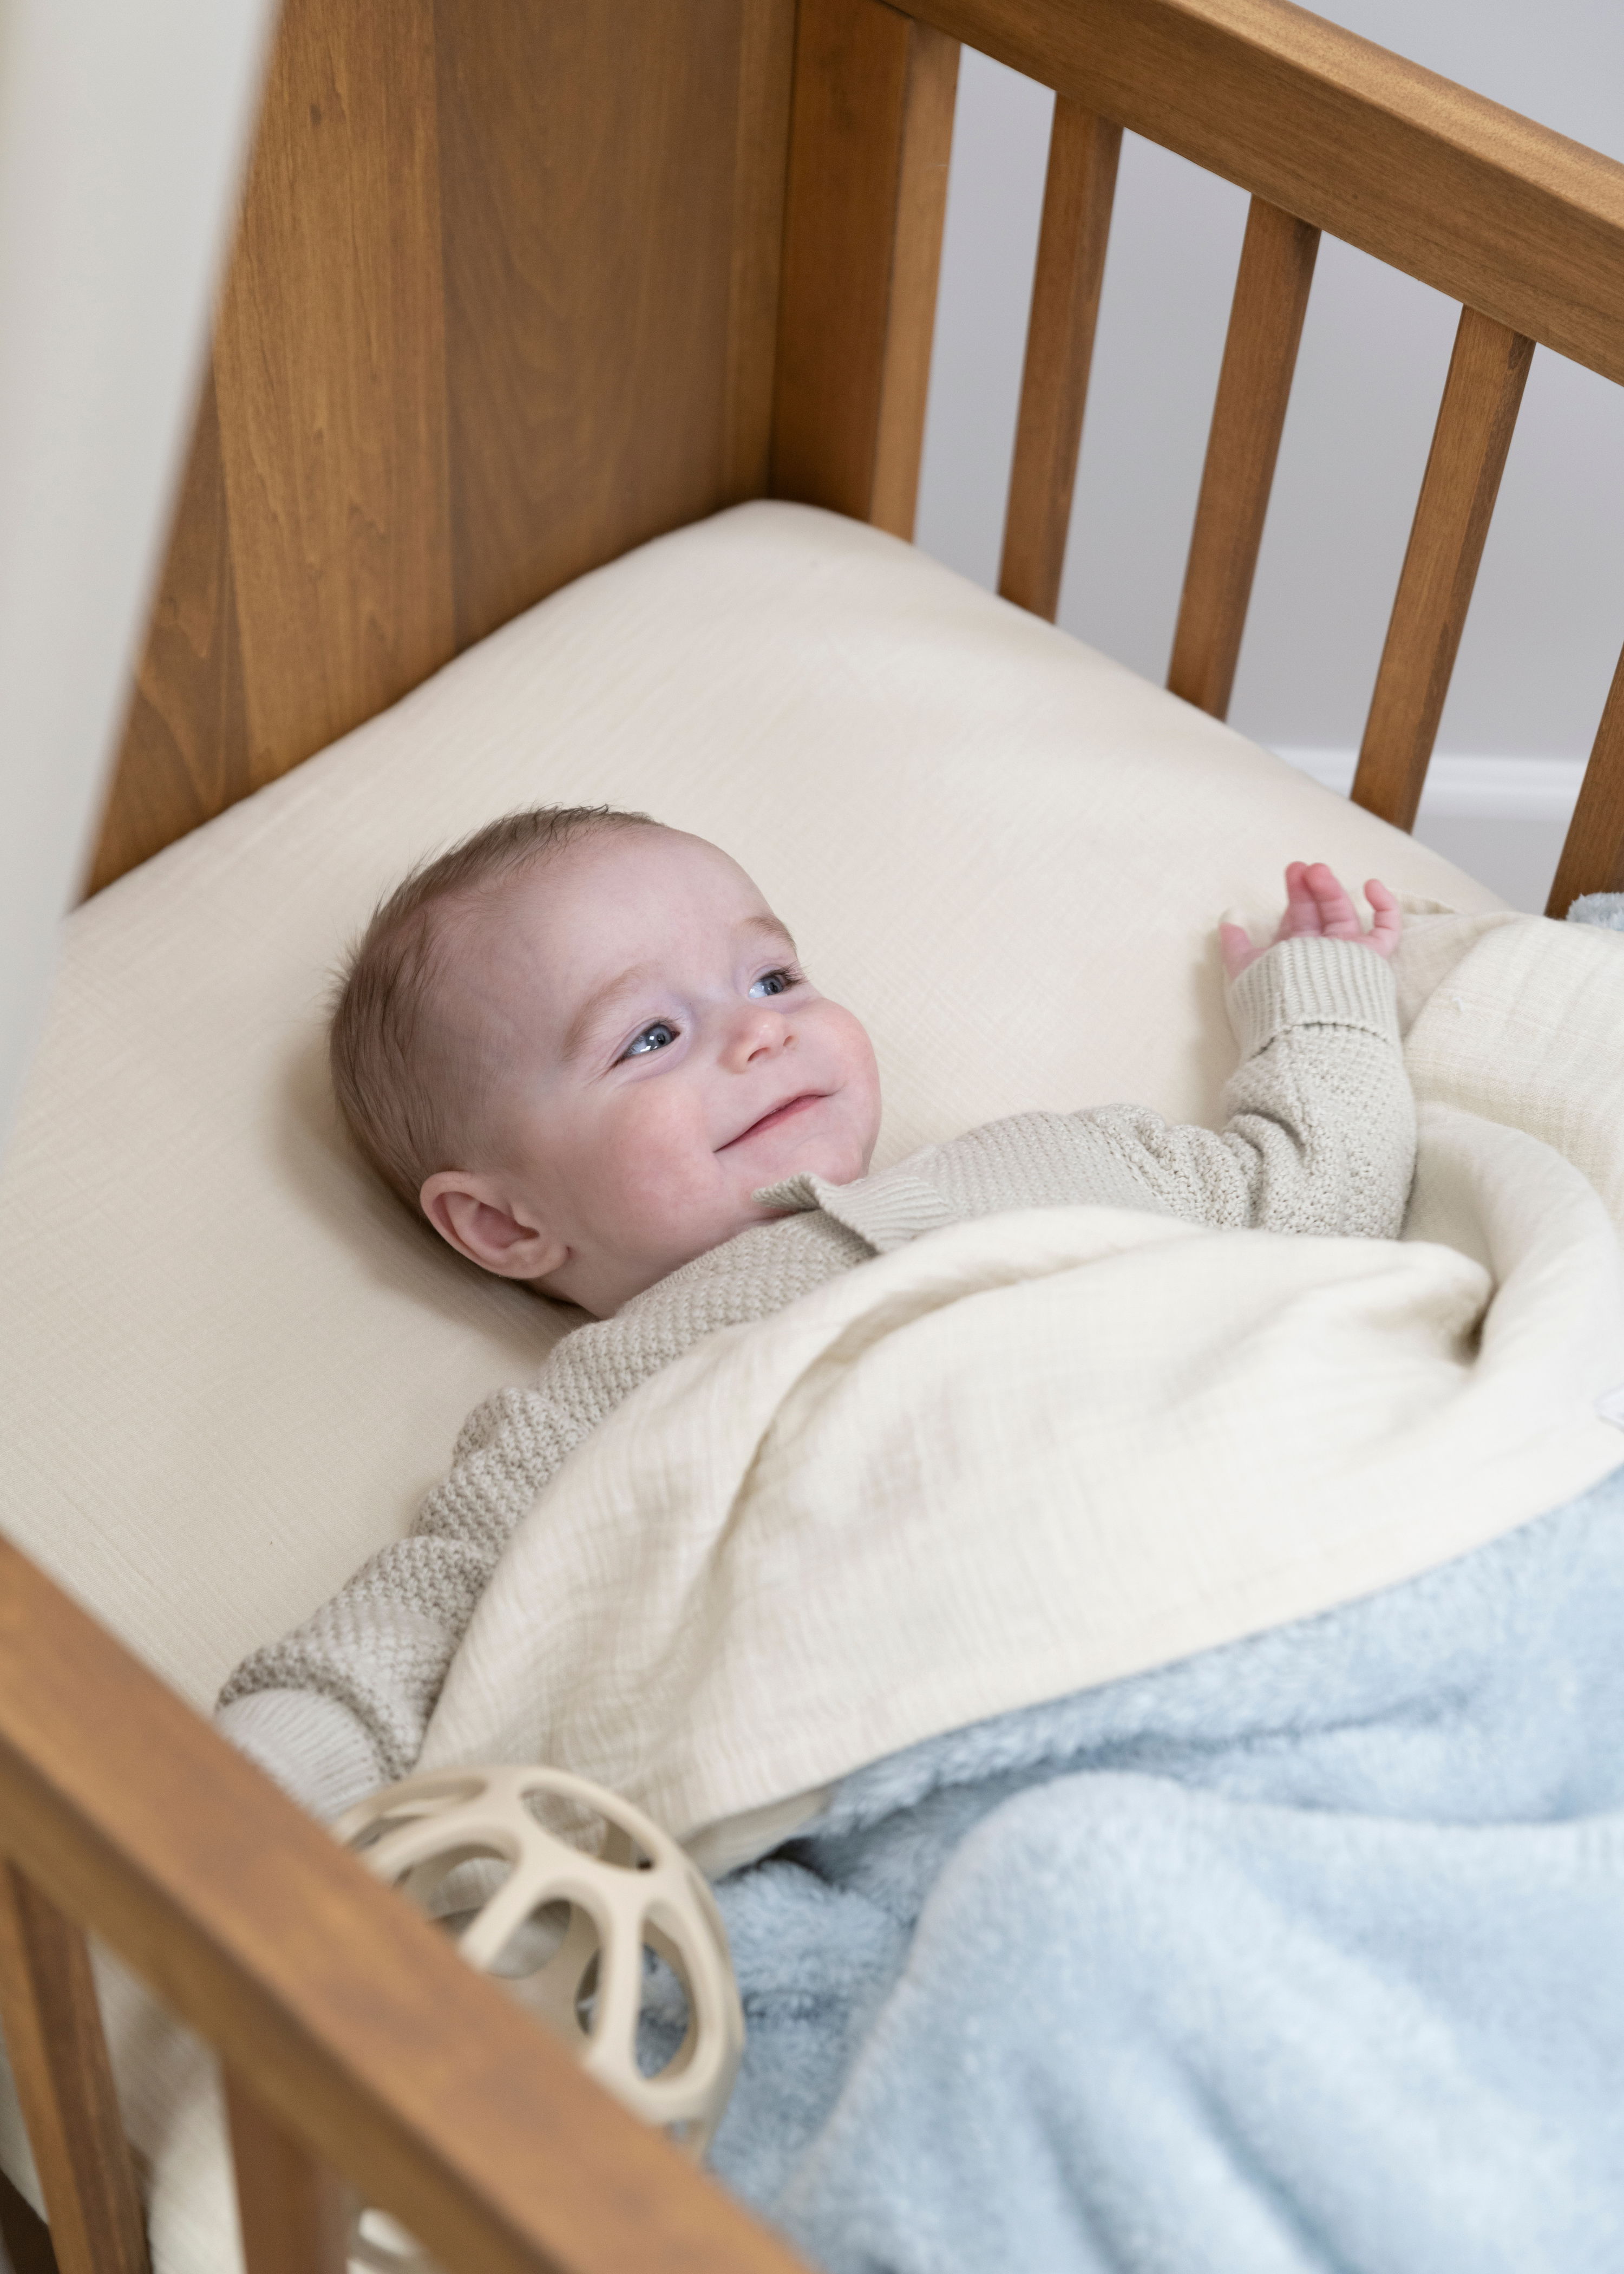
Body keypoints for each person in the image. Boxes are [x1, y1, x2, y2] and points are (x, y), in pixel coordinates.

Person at [217, 805, 1411, 1819]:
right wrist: (238, 1782)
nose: (761, 1030)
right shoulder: (611, 1389)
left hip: (1296, 1561)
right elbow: (444, 1604)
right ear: (508, 1226)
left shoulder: (1056, 1160)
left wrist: (1322, 998)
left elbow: (1317, 1192)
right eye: (650, 1037)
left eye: (774, 976)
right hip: (979, 1735)